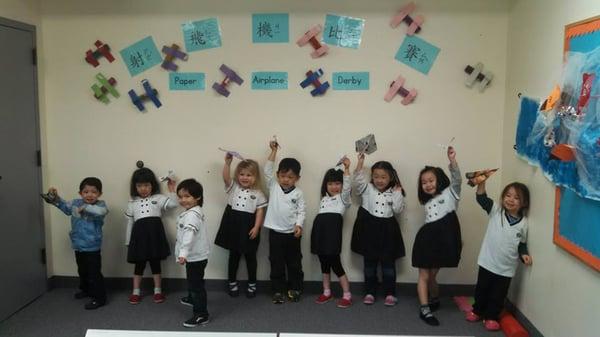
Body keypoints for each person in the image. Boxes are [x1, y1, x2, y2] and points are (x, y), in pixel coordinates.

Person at [465, 181, 532, 331]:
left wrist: (524, 254)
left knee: (498, 295)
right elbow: (482, 198)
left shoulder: (524, 224)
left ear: (524, 203)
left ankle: (491, 317)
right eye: (508, 195)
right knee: (482, 289)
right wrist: (481, 183)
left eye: (516, 198)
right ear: (502, 198)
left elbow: (522, 244)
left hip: (506, 268)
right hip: (487, 262)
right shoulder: (496, 211)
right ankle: (477, 311)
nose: (510, 199)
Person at [411, 146, 462, 326]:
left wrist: (452, 161)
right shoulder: (427, 202)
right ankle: (424, 309)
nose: (428, 184)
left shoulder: (451, 193)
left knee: (433, 276)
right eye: (424, 182)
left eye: (431, 180)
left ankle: (434, 299)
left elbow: (457, 179)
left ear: (439, 180)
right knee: (424, 275)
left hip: (444, 240)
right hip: (426, 239)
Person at [44, 177, 108, 310]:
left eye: (93, 192)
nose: (89, 195)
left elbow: (100, 212)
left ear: (99, 194)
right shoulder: (75, 203)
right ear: (80, 193)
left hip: (92, 247)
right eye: (86, 192)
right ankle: (86, 290)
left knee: (94, 273)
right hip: (78, 245)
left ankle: (99, 298)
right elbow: (64, 206)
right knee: (82, 271)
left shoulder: (100, 205)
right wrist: (55, 197)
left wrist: (84, 208)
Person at [351, 153, 406, 306]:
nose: (379, 180)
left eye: (383, 177)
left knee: (388, 265)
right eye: (376, 176)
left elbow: (398, 209)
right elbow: (358, 181)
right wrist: (360, 162)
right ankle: (370, 292)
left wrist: (397, 193)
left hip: (388, 230)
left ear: (390, 178)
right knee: (369, 264)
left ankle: (390, 293)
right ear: (372, 177)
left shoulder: (394, 191)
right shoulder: (368, 188)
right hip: (369, 229)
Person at [214, 154, 267, 298]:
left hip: (249, 226)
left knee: (251, 257)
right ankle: (232, 282)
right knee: (233, 256)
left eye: (249, 175)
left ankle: (252, 284)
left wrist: (257, 227)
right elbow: (225, 177)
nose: (245, 177)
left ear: (255, 177)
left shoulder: (259, 194)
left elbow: (260, 211)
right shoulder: (234, 188)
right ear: (237, 175)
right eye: (242, 174)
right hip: (233, 225)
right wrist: (227, 163)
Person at [125, 165, 178, 304]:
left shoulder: (158, 198)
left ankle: (158, 290)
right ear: (135, 187)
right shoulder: (132, 203)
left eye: (147, 185)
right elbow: (130, 222)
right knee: (139, 265)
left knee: (155, 263)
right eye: (140, 185)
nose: (143, 189)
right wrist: (128, 241)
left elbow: (173, 204)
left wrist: (171, 189)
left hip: (155, 235)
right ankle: (136, 292)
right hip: (139, 237)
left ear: (152, 185)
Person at [263, 139, 306, 304]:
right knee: (276, 263)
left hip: (292, 234)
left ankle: (295, 288)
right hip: (275, 233)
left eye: (290, 177)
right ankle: (278, 291)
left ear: (297, 178)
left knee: (294, 263)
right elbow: (267, 169)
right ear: (277, 175)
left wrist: (299, 225)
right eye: (282, 176)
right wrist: (273, 151)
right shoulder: (273, 186)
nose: (286, 179)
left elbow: (302, 211)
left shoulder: (298, 193)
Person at [311, 157, 353, 308]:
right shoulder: (324, 199)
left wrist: (347, 169)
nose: (334, 187)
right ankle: (326, 292)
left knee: (336, 264)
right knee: (324, 264)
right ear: (325, 185)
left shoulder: (343, 199)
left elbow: (347, 188)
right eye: (330, 184)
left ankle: (347, 295)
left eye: (337, 183)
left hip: (332, 235)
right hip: (320, 232)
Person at [175, 179, 210, 328]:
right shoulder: (193, 211)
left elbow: (189, 235)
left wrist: (183, 253)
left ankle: (201, 314)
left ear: (198, 197)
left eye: (187, 196)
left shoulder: (192, 216)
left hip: (194, 256)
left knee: (196, 285)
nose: (183, 200)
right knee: (193, 280)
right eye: (181, 196)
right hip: (196, 255)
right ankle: (191, 297)